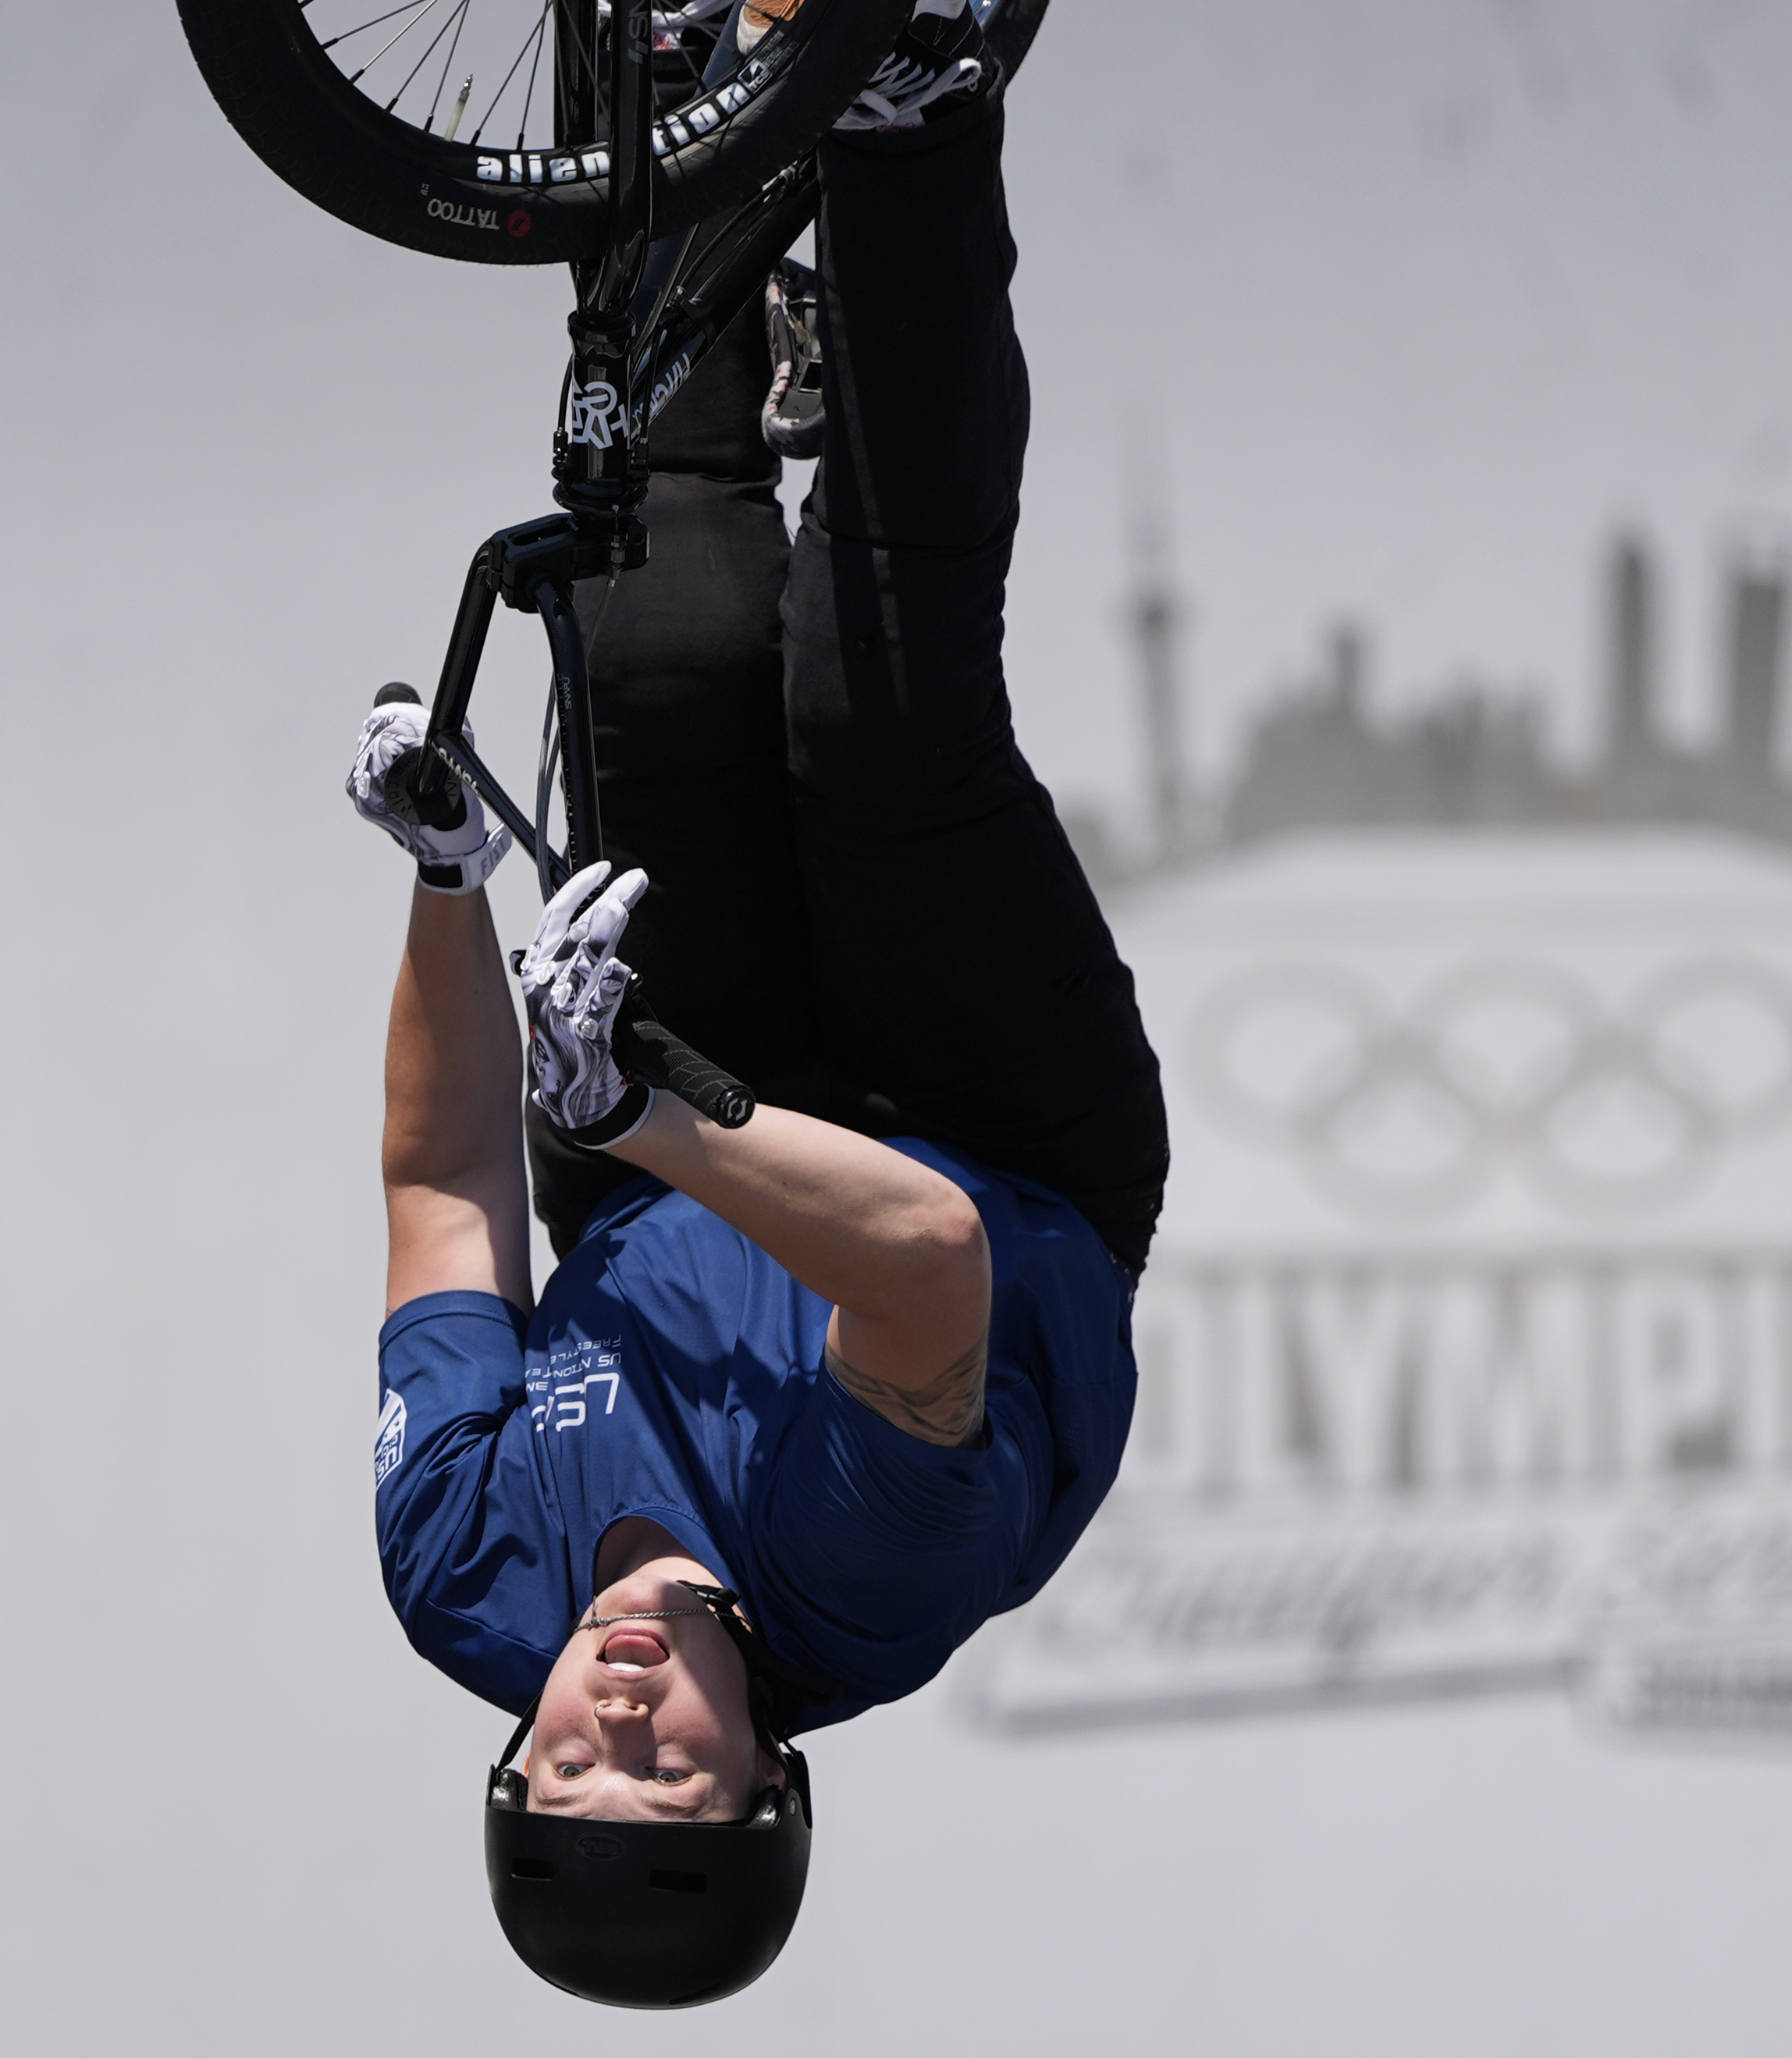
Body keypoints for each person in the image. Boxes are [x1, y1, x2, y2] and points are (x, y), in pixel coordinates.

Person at [339, 19, 1167, 2012]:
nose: (613, 1722)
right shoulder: (864, 1593)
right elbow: (924, 1261)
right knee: (869, 713)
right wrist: (642, 1111)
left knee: (665, 642)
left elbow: (445, 1190)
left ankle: (672, 91)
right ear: (771, 1776)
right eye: (670, 1776)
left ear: (512, 1739)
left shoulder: (460, 1567)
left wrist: (452, 887)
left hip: (659, 1119)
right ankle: (905, 123)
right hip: (987, 1136)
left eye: (563, 1763)